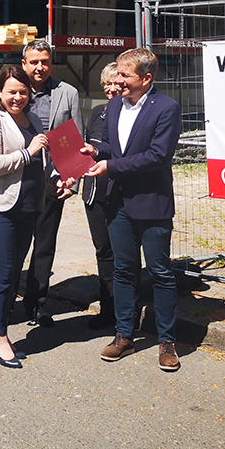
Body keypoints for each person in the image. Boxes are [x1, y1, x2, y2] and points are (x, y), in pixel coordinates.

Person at [82, 48, 182, 371]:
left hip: (151, 203)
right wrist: (96, 149)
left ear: (146, 78)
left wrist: (110, 165)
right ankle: (124, 334)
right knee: (124, 269)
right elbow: (117, 148)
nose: (118, 80)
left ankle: (167, 340)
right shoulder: (113, 106)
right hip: (118, 203)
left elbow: (157, 156)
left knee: (159, 271)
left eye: (125, 75)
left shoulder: (166, 108)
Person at [0, 66, 71, 368]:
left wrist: (56, 179)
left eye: (23, 92)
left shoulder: (34, 118)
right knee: (3, 273)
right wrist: (28, 152)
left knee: (14, 272)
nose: (17, 97)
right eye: (11, 91)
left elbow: (43, 160)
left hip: (27, 206)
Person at [20, 39, 83, 327]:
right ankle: (6, 300)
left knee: (44, 246)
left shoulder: (66, 92)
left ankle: (36, 305)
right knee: (14, 246)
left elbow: (75, 139)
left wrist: (72, 182)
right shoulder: (14, 91)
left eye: (44, 61)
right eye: (34, 62)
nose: (40, 67)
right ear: (24, 64)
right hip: (18, 180)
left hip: (53, 181)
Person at [81, 62, 132, 330]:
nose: (111, 88)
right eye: (106, 84)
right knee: (103, 252)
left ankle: (127, 311)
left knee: (125, 254)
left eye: (117, 83)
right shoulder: (97, 113)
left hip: (122, 193)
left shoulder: (133, 114)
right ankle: (108, 309)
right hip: (95, 193)